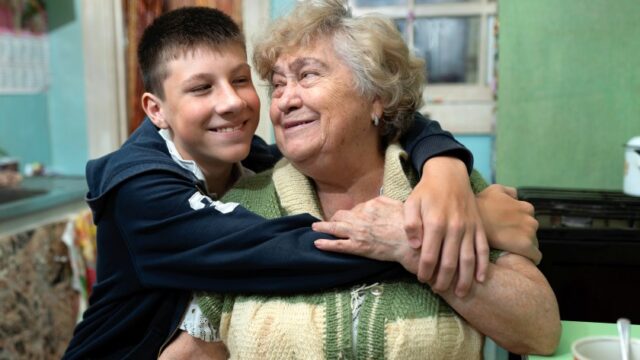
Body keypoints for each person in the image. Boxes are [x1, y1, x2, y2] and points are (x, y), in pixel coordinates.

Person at [62, 6, 509, 360]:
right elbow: (274, 252)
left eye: (241, 80)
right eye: (201, 89)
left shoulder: (251, 155)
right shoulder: (140, 191)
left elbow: (390, 113)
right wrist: (429, 237)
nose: (232, 102)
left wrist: (444, 167)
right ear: (156, 110)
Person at [194, 0, 561, 358]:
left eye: (307, 75)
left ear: (376, 97)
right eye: (277, 85)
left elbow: (540, 331)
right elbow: (197, 345)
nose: (285, 100)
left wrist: (410, 245)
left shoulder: (446, 188)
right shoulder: (243, 202)